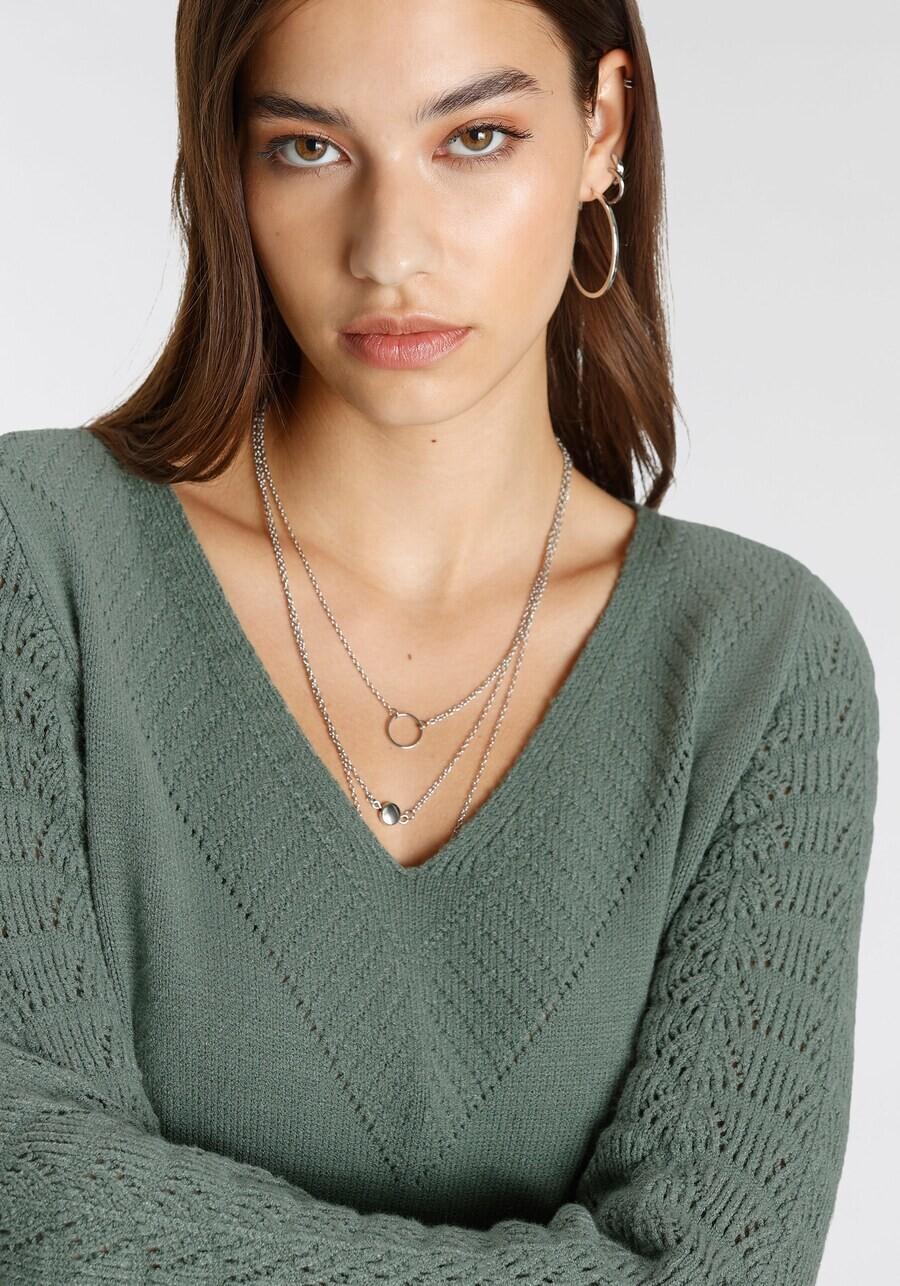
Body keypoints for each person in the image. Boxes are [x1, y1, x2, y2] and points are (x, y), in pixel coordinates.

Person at [0, 0, 879, 1281]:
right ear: (225, 162)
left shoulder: (759, 664)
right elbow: (28, 1207)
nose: (390, 248)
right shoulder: (35, 559)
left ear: (602, 126)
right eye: (309, 147)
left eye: (474, 138)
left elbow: (716, 1266)